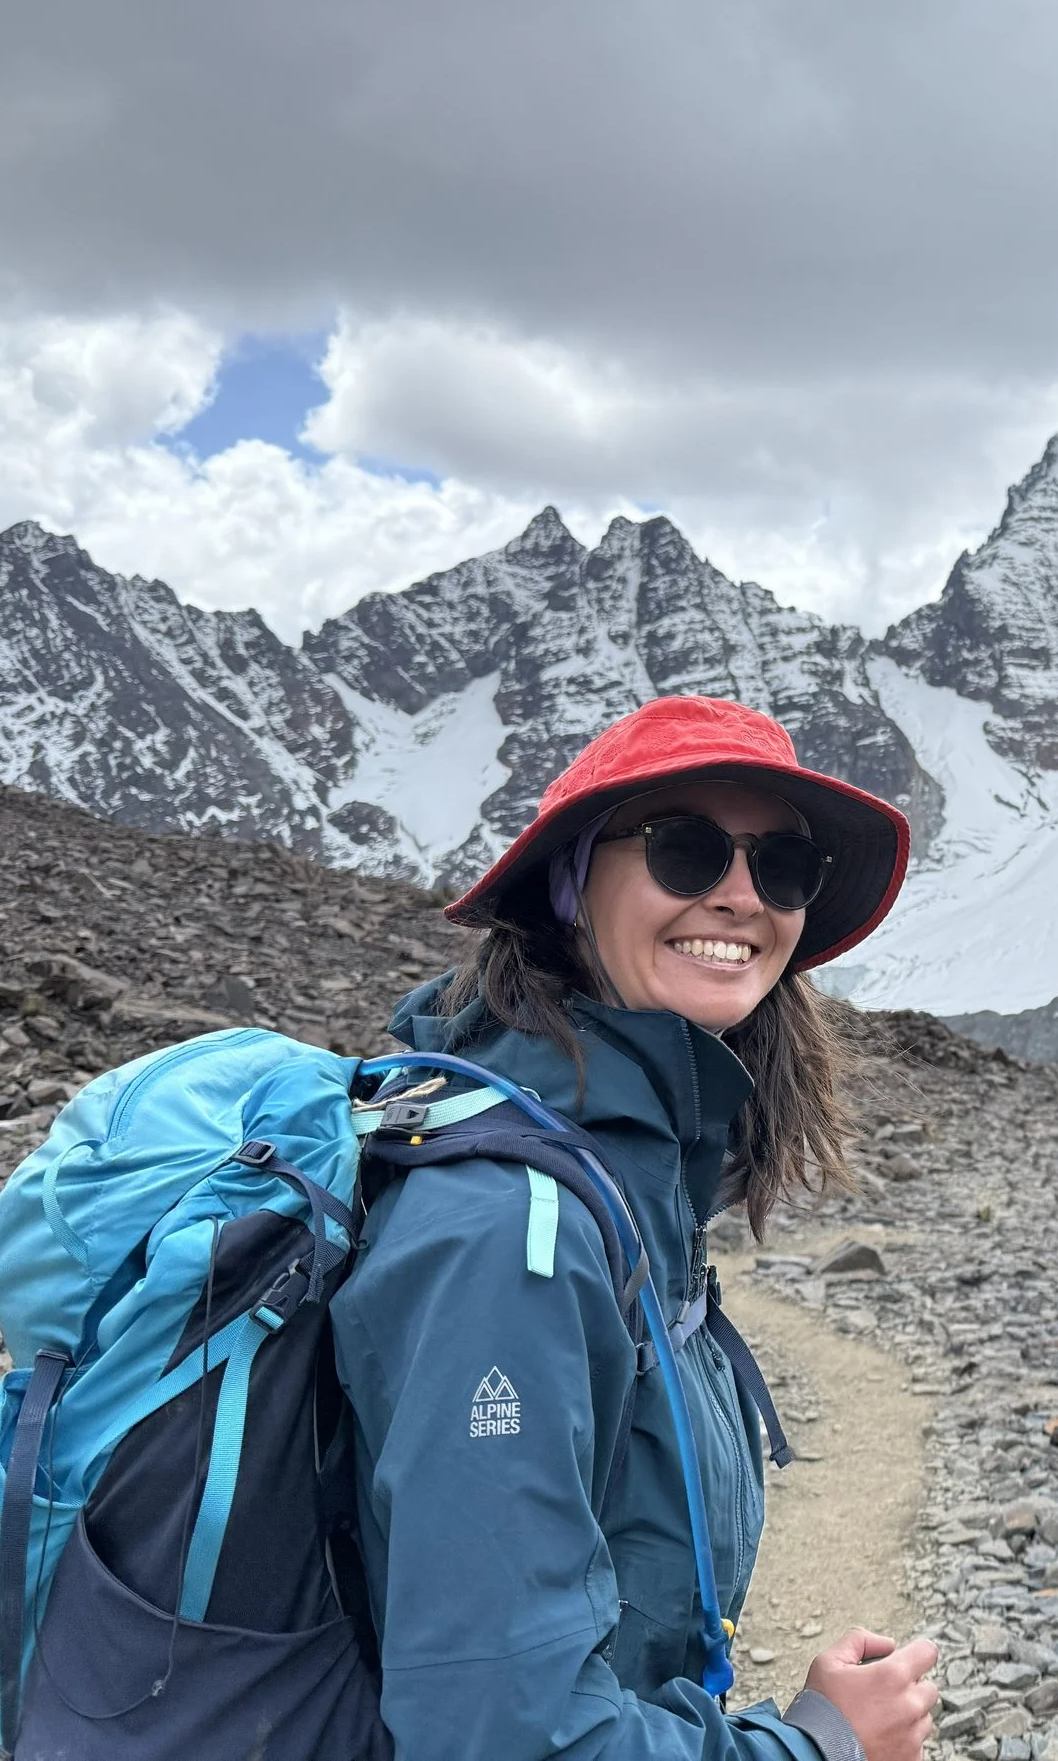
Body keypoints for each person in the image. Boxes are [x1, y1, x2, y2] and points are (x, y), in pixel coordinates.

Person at [329, 696, 937, 1761]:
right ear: (569, 883)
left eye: (782, 868)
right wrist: (818, 1749)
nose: (741, 895)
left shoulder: (619, 1180)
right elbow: (502, 1737)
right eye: (685, 848)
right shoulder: (513, 1237)